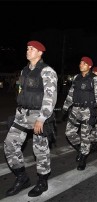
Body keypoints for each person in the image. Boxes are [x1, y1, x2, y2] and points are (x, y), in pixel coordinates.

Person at [4, 40, 58, 197]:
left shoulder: (47, 71)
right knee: (9, 144)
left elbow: (50, 96)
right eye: (27, 48)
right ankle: (22, 178)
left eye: (32, 49)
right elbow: (21, 91)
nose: (28, 51)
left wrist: (42, 118)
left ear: (40, 53)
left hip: (38, 115)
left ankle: (42, 180)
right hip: (22, 114)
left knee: (39, 149)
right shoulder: (24, 71)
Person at [62, 57, 97, 170]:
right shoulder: (76, 77)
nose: (81, 64)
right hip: (75, 110)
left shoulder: (95, 79)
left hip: (88, 111)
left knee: (85, 136)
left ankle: (83, 159)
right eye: (80, 62)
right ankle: (82, 150)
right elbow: (71, 93)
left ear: (89, 66)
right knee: (69, 132)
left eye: (84, 63)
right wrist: (65, 107)